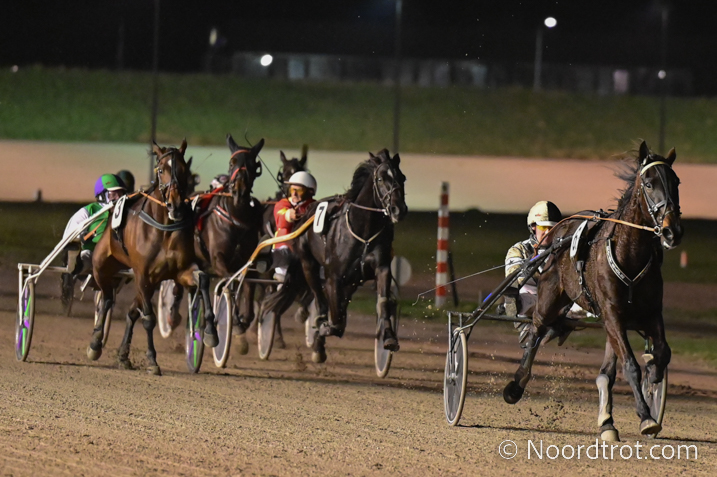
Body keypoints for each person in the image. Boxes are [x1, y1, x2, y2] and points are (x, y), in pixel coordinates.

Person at [503, 200, 562, 341]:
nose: (548, 232)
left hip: (558, 302)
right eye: (543, 227)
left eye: (552, 228)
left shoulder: (563, 251)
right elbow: (514, 279)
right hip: (532, 299)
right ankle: (524, 326)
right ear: (533, 227)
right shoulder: (519, 249)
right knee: (516, 294)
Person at [62, 174, 127, 274]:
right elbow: (69, 236)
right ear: (102, 196)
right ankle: (73, 268)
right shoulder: (89, 210)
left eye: (120, 193)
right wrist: (81, 237)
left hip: (118, 256)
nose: (118, 198)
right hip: (93, 254)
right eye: (113, 194)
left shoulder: (127, 212)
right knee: (86, 256)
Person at [272, 171, 317, 282]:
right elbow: (280, 218)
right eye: (292, 189)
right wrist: (289, 215)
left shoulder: (315, 206)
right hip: (286, 249)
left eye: (299, 190)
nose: (294, 194)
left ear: (310, 191)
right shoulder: (283, 204)